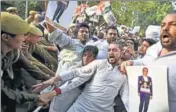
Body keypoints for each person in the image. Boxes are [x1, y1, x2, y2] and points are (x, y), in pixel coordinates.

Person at [32, 41, 129, 112]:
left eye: (115, 50)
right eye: (109, 50)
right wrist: (53, 81)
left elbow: (126, 97)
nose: (111, 52)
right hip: (81, 107)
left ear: (121, 53)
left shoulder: (125, 73)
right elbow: (76, 75)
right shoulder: (98, 64)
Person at [121, 11, 176, 112]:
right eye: (163, 25)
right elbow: (144, 62)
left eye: (173, 24)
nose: (165, 28)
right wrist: (132, 63)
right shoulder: (153, 49)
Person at [1, 12, 45, 112]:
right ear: (6, 37)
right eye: (21, 35)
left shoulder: (12, 52)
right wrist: (35, 98)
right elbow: (4, 93)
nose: (23, 38)